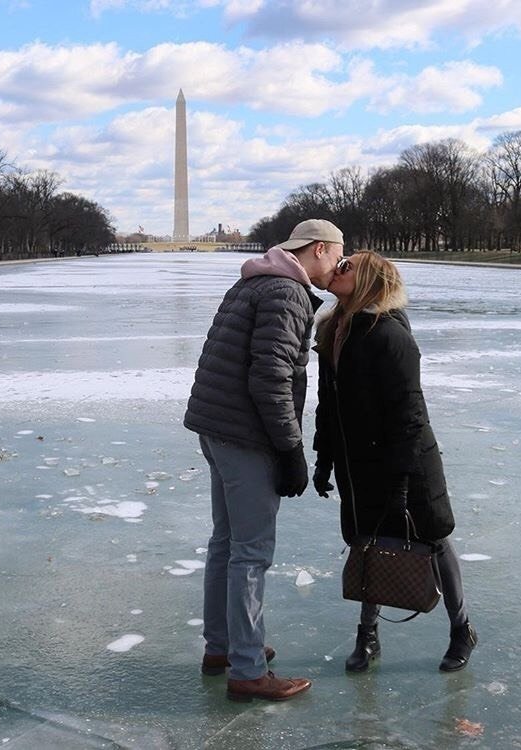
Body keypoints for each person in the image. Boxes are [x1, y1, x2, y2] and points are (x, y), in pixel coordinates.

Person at [184, 218, 345, 702]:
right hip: (245, 435)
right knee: (250, 552)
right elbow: (271, 379)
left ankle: (223, 646)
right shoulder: (287, 293)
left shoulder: (252, 281)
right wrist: (291, 449)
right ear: (319, 249)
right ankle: (247, 669)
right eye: (338, 256)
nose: (339, 267)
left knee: (226, 543)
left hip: (215, 426)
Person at [312, 251, 477, 673]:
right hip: (358, 463)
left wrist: (402, 481)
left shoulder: (390, 336)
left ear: (367, 281)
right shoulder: (333, 329)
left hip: (407, 464)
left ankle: (461, 629)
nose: (338, 267)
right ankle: (367, 636)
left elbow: (409, 412)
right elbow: (328, 404)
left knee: (433, 540)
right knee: (367, 543)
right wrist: (324, 457)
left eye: (347, 265)